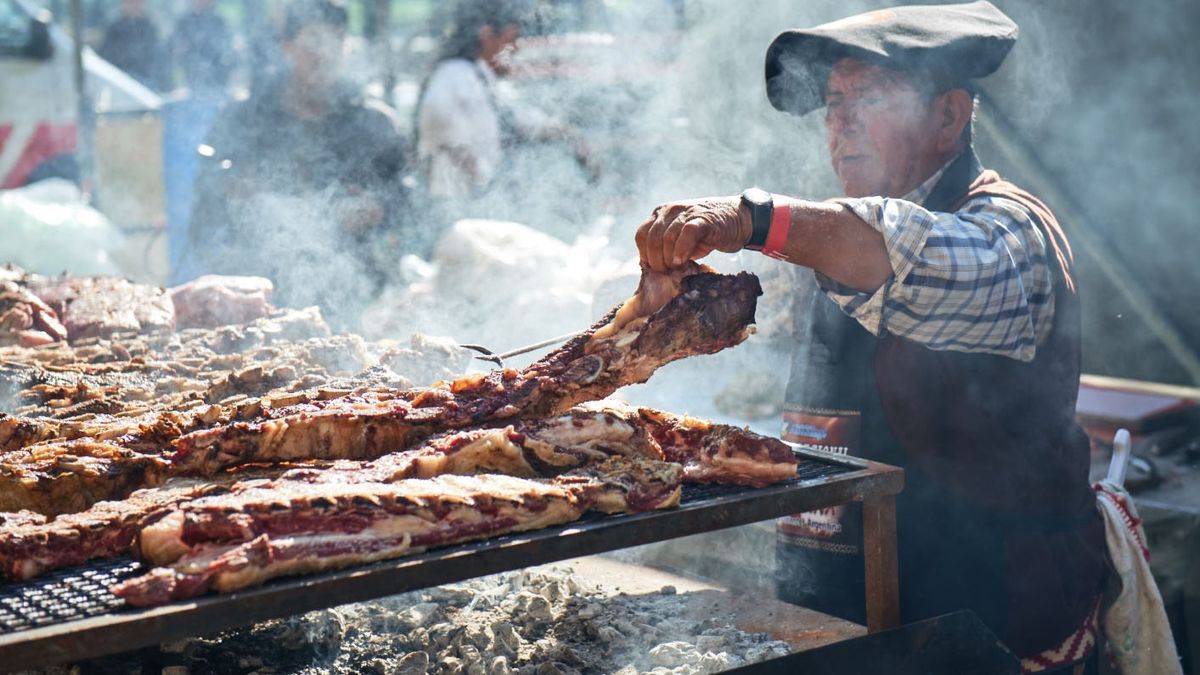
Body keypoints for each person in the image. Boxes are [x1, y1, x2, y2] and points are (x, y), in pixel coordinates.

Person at [633, 3, 1108, 672]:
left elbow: (908, 250)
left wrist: (751, 218)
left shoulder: (1008, 232)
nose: (840, 123)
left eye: (870, 97)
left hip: (981, 636)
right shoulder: (837, 240)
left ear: (949, 115)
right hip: (839, 623)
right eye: (833, 102)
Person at [183, 0, 410, 330]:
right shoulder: (244, 120)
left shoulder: (374, 125)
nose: (326, 53)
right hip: (257, 304)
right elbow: (204, 217)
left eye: (336, 40)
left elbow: (407, 203)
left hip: (356, 300)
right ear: (286, 45)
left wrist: (378, 208)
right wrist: (236, 197)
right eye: (314, 40)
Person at [415, 0, 591, 201]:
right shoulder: (453, 75)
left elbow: (519, 118)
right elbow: (446, 136)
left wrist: (570, 133)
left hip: (479, 200)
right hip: (455, 202)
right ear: (488, 36)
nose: (516, 49)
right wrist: (480, 183)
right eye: (512, 38)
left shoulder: (481, 79)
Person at [98, 0, 167, 91]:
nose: (135, 5)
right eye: (130, 2)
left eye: (137, 2)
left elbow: (158, 59)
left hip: (147, 83)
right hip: (120, 83)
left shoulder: (150, 28)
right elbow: (107, 59)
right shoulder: (114, 29)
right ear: (123, 4)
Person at [170, 0, 235, 95]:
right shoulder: (184, 21)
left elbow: (227, 48)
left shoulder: (219, 21)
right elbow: (177, 48)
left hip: (218, 81)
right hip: (192, 79)